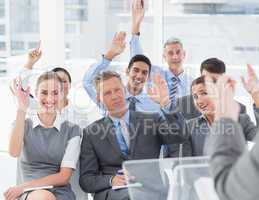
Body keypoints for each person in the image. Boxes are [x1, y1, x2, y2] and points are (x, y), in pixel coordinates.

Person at [79, 70, 188, 200]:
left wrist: (166, 103)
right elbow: (86, 179)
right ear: (99, 98)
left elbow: (180, 135)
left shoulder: (151, 120)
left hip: (150, 189)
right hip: (115, 193)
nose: (114, 96)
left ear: (125, 90)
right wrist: (111, 180)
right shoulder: (91, 132)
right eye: (107, 93)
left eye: (117, 90)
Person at [5, 72, 81, 200]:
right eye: (44, 93)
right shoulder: (22, 124)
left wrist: (23, 186)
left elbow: (64, 176)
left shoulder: (73, 130)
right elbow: (14, 152)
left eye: (55, 93)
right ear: (36, 93)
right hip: (28, 193)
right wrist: (21, 109)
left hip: (59, 192)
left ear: (62, 94)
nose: (50, 99)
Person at [167, 74, 259, 157]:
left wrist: (256, 97)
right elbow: (185, 165)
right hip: (201, 180)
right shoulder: (189, 127)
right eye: (195, 96)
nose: (199, 101)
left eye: (204, 93)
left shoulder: (240, 121)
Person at [83, 31, 160, 117]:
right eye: (136, 70)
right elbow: (87, 83)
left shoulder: (154, 103)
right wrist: (110, 55)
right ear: (127, 71)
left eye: (144, 73)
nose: (139, 76)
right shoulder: (110, 97)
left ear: (148, 77)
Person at [130, 0, 193, 103]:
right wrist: (136, 26)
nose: (175, 57)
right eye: (170, 53)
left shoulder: (191, 83)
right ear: (164, 56)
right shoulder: (155, 74)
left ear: (184, 54)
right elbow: (137, 59)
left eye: (178, 52)